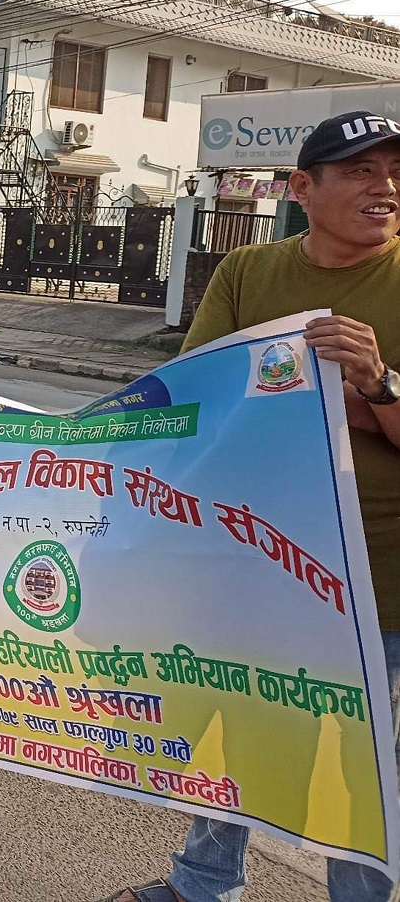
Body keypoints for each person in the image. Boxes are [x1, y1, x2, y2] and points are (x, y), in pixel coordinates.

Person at [101, 112, 400, 902]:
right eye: (362, 170)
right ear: (302, 188)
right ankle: (204, 885)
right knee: (236, 732)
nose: (387, 186)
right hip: (250, 567)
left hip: (378, 586)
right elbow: (198, 403)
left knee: (363, 774)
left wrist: (376, 386)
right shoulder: (247, 274)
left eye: (395, 169)